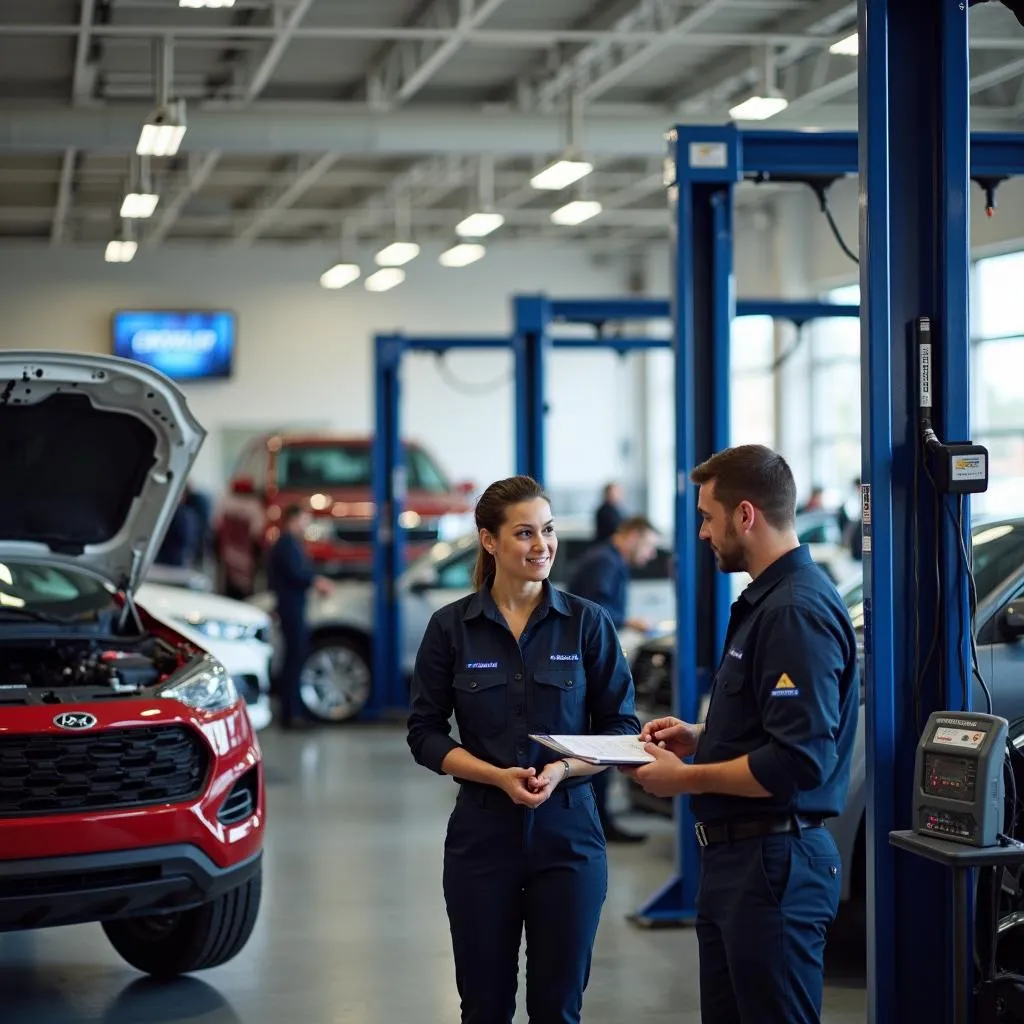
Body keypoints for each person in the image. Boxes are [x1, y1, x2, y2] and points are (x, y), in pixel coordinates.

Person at [625, 444, 858, 1024]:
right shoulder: (768, 603)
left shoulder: (792, 612)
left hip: (773, 865)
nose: (703, 533)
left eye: (708, 516)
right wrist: (701, 735)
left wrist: (685, 779)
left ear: (746, 515)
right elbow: (769, 722)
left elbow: (797, 761)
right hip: (743, 864)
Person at [406, 475, 640, 1024]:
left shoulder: (587, 624)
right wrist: (494, 775)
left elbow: (621, 728)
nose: (543, 546)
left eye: (549, 530)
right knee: (484, 1008)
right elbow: (424, 733)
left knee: (558, 1009)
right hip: (482, 839)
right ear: (489, 541)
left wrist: (560, 769)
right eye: (525, 533)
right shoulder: (451, 629)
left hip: (570, 837)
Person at [567, 514, 659, 843]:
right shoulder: (604, 562)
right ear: (632, 536)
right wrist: (631, 621)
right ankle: (599, 822)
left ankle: (601, 819)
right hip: (587, 665)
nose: (649, 556)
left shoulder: (607, 560)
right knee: (599, 738)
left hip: (589, 661)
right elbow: (595, 610)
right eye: (648, 546)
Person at [267, 505, 333, 730]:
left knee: (296, 658)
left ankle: (294, 711)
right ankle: (291, 714)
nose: (307, 524)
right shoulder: (286, 543)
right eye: (305, 519)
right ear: (294, 519)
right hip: (291, 608)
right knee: (293, 660)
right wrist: (316, 581)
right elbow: (297, 573)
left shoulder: (290, 542)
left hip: (293, 607)